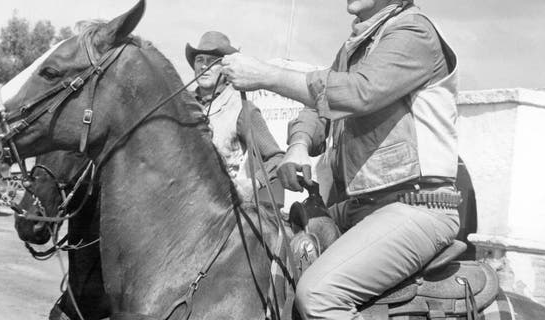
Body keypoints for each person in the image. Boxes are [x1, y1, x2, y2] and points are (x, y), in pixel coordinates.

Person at [221, 0, 461, 318]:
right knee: (271, 254)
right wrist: (299, 145)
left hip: (417, 207)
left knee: (318, 296)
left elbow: (357, 92)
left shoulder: (414, 32)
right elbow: (318, 109)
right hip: (361, 209)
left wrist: (266, 75)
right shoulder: (357, 46)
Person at [185, 31, 285, 205]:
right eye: (200, 60)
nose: (203, 66)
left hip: (222, 208)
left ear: (225, 67)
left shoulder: (241, 108)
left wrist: (251, 185)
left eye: (212, 61)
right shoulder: (181, 104)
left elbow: (277, 159)